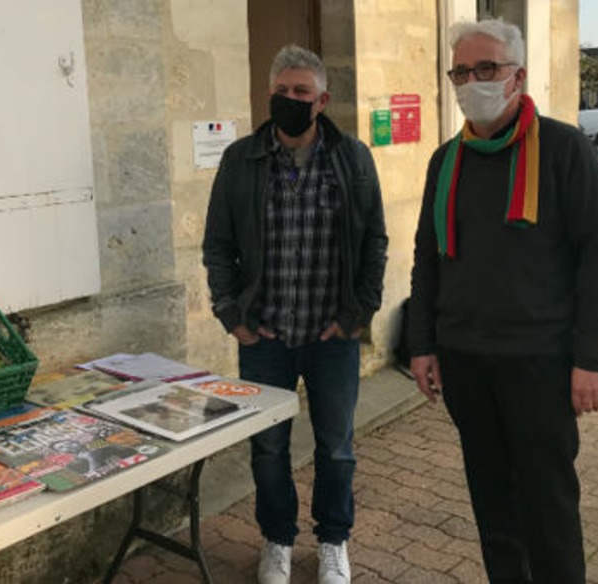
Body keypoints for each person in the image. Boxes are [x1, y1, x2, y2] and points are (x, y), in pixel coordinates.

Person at [408, 19, 598, 583]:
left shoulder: (563, 148)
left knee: (547, 506)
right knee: (493, 506)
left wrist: (592, 359)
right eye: (461, 71)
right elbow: (428, 260)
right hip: (466, 360)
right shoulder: (444, 160)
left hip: (541, 363)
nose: (471, 81)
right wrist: (422, 344)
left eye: (486, 69)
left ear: (517, 77)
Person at [203, 44, 387, 584]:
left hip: (332, 334)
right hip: (265, 337)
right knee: (268, 447)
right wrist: (229, 312)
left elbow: (374, 241)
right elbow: (218, 245)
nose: (289, 100)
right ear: (269, 94)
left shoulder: (352, 159)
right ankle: (277, 540)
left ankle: (333, 541)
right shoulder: (241, 159)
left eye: (300, 93)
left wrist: (360, 313)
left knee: (336, 446)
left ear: (321, 99)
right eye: (280, 91)